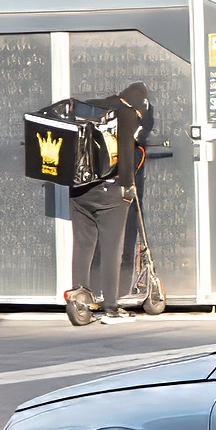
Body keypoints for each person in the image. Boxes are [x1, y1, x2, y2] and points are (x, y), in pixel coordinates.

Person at [70, 84, 151, 325]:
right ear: (138, 106)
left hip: (79, 190)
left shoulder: (92, 107)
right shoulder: (125, 114)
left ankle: (78, 300)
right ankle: (111, 307)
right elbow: (125, 150)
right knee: (111, 249)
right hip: (110, 192)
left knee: (83, 246)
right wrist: (127, 186)